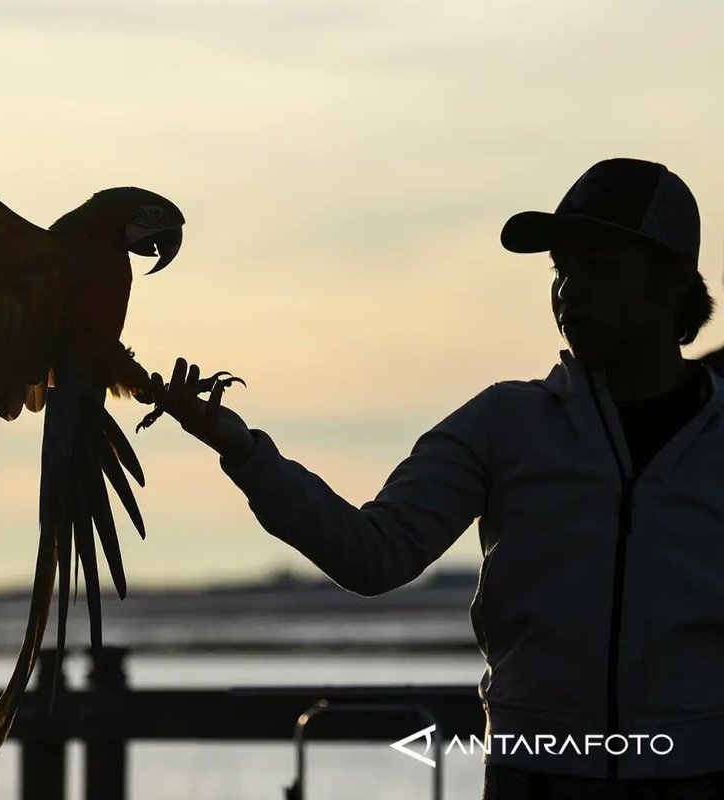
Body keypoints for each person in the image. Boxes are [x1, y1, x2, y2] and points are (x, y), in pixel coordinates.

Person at [151, 158, 724, 799]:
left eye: (601, 268)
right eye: (562, 270)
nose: (571, 291)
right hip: (535, 776)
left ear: (675, 283)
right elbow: (374, 555)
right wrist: (244, 452)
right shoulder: (505, 422)